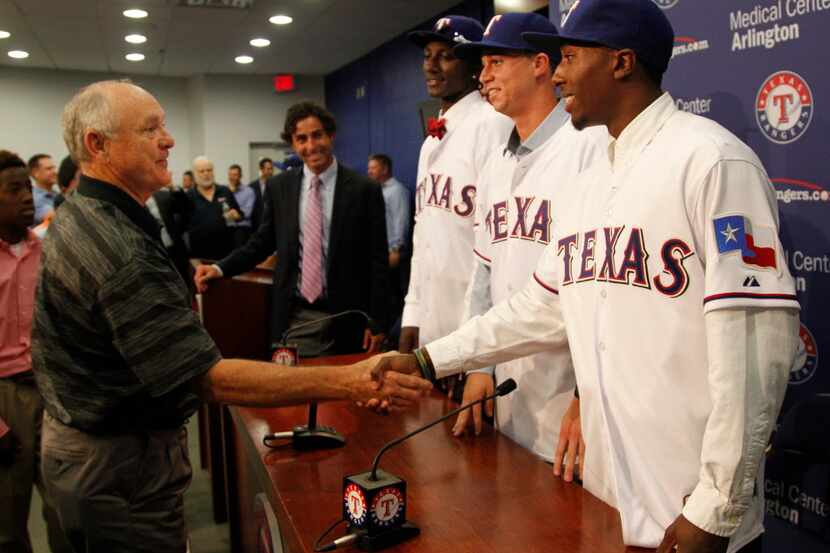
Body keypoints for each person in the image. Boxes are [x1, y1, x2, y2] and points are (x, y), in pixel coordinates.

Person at [380, 1, 802, 552]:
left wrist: (716, 506)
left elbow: (755, 347)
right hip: (608, 497)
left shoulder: (713, 162)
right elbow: (538, 306)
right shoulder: (589, 176)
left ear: (622, 62)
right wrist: (430, 358)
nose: (556, 73)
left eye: (570, 56)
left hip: (691, 508)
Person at [32, 80, 431, 552]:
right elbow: (209, 379)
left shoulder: (83, 214)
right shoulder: (118, 249)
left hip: (99, 455)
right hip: (117, 471)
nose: (169, 140)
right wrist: (353, 381)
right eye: (150, 129)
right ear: (97, 145)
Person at [449, 12, 605, 479]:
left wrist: (588, 394)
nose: (483, 75)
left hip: (572, 401)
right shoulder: (498, 161)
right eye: (482, 65)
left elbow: (602, 289)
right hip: (513, 394)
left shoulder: (589, 146)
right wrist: (478, 365)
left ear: (541, 65)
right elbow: (485, 274)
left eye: (496, 61)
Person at [195, 102, 389, 357]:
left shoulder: (365, 189)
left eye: (317, 135)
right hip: (294, 316)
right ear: (293, 144)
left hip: (348, 317)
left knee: (343, 393)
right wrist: (220, 267)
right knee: (295, 392)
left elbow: (377, 261)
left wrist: (376, 321)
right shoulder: (280, 187)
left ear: (331, 135)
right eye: (301, 139)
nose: (311, 146)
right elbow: (262, 242)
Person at [399, 15, 512, 370]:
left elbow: (493, 244)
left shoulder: (491, 123)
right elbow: (423, 233)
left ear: (474, 66)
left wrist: (472, 345)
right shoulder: (432, 138)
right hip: (433, 325)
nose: (431, 65)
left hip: (471, 331)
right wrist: (412, 313)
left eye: (445, 55)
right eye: (427, 55)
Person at [0, 150, 71, 553]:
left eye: (28, 188)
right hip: (4, 396)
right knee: (7, 529)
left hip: (50, 391)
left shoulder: (45, 251)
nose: (27, 197)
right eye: (14, 190)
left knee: (65, 511)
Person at [367, 153, 411, 333]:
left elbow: (402, 221)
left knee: (394, 298)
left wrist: (396, 249)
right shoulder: (377, 190)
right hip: (380, 254)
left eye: (373, 168)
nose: (369, 171)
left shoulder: (397, 191)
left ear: (385, 169)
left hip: (393, 254)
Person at [186, 155, 241, 261]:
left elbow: (239, 214)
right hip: (201, 256)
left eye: (209, 170)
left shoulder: (225, 191)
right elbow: (182, 227)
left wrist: (237, 215)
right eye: (202, 171)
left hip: (227, 253)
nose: (206, 174)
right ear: (195, 174)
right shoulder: (189, 196)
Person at [227, 163, 255, 247]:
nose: (232, 177)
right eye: (230, 175)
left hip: (242, 228)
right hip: (227, 227)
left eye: (235, 175)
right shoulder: (224, 191)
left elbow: (247, 213)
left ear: (240, 176)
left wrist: (235, 215)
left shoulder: (249, 191)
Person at [27, 154, 57, 225]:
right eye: (49, 169)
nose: (55, 172)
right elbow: (56, 217)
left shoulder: (56, 194)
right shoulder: (34, 198)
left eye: (54, 168)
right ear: (35, 173)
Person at [249, 157, 273, 230]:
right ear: (261, 169)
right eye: (268, 169)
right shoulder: (251, 187)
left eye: (271, 169)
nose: (270, 172)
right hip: (256, 225)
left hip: (272, 224)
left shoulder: (276, 185)